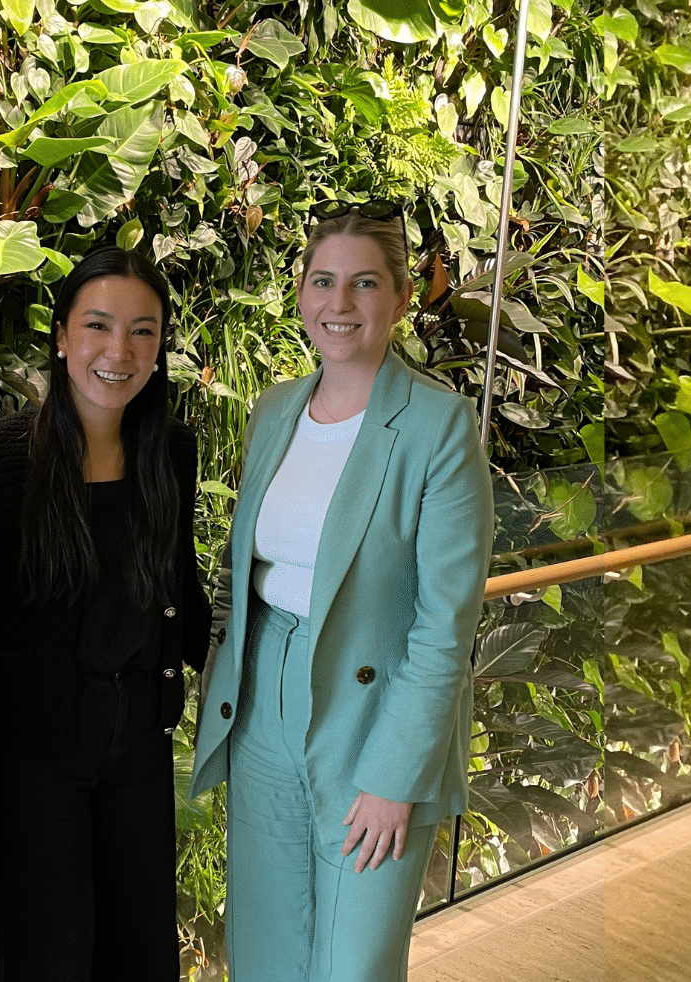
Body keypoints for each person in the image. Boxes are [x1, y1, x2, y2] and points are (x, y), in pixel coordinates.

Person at [189, 201, 495, 981]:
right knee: (265, 950)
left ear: (399, 298)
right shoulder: (274, 411)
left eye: (364, 284)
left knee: (353, 965)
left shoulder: (438, 427)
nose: (340, 303)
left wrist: (396, 777)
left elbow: (443, 626)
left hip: (374, 717)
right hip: (264, 704)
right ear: (300, 294)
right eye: (323, 281)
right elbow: (238, 576)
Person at [0, 246, 210, 982]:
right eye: (98, 326)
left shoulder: (170, 454)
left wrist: (253, 673)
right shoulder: (0, 463)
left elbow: (180, 596)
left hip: (137, 749)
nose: (118, 351)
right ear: (62, 335)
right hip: (32, 761)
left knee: (140, 950)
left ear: (160, 348)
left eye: (142, 332)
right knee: (45, 957)